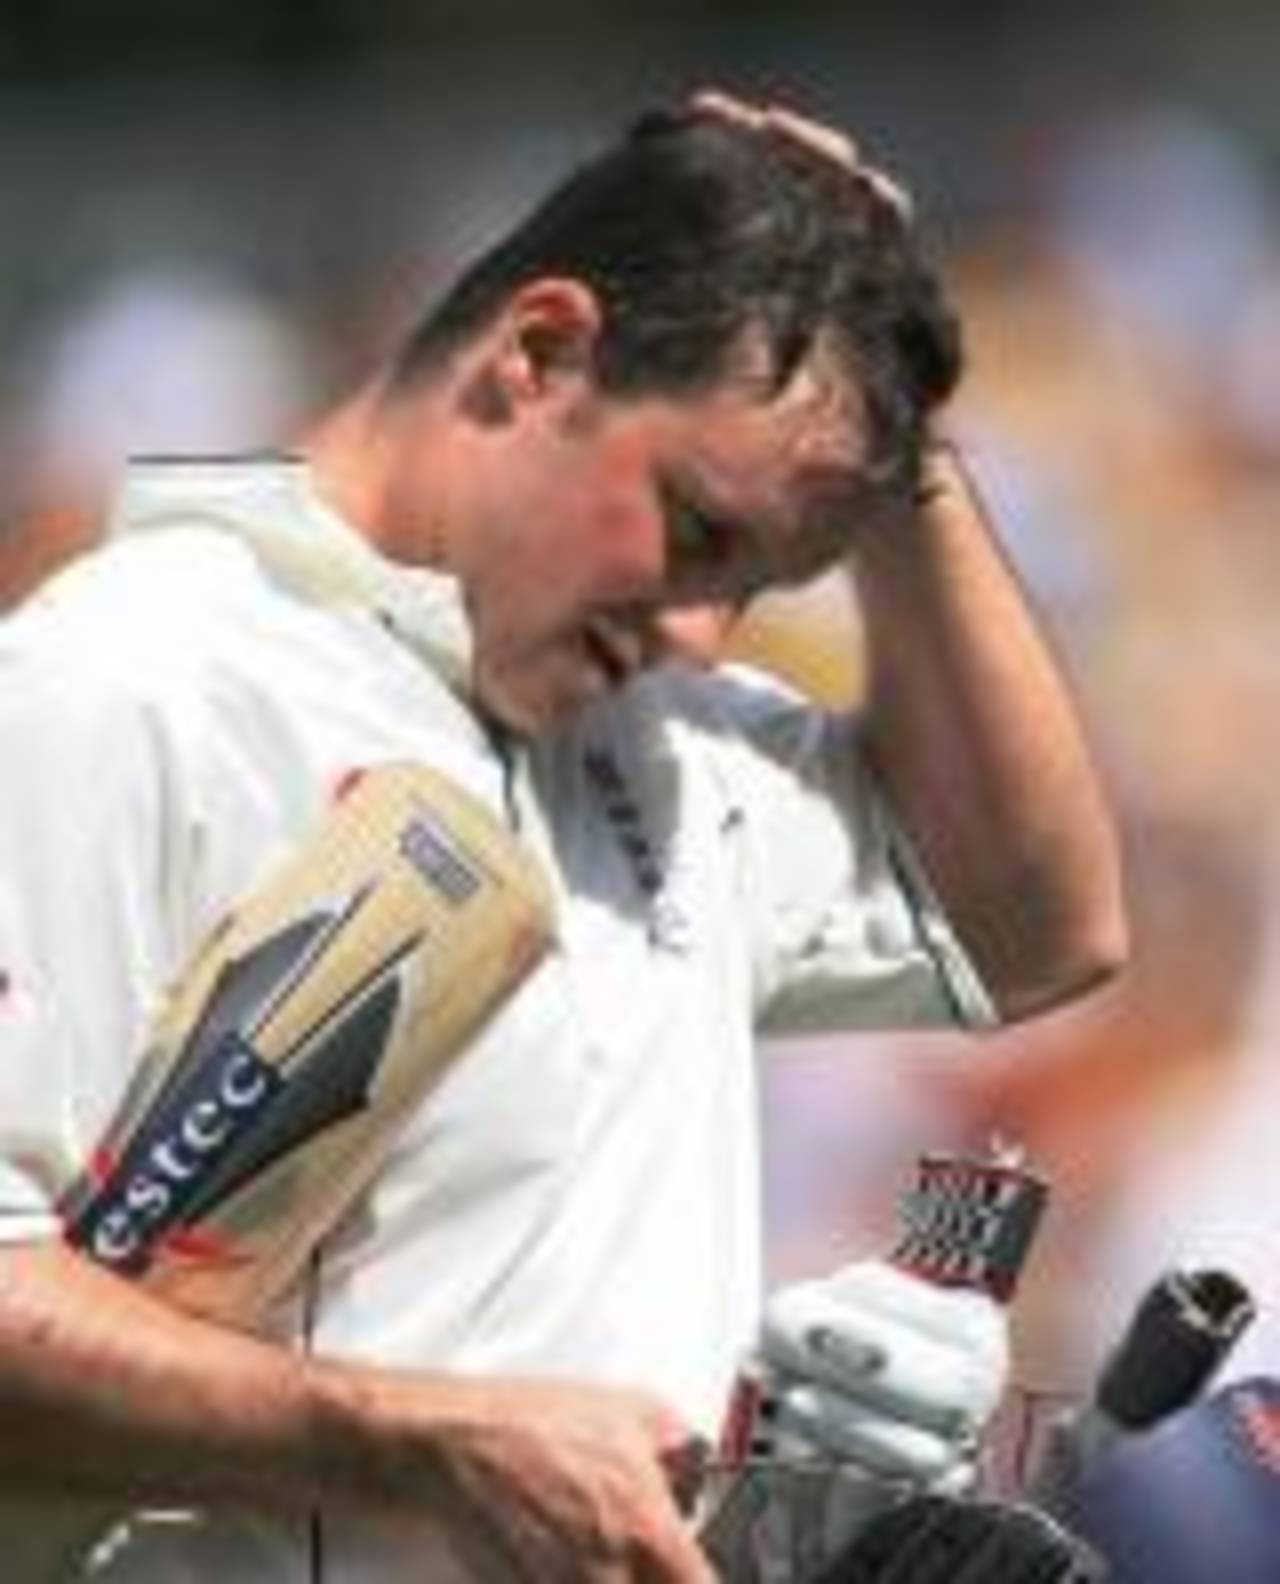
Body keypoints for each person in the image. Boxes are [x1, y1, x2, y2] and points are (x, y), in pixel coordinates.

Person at [0, 91, 1125, 1581]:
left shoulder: (667, 743)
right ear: (538, 354)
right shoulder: (125, 680)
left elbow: (1040, 925)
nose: (701, 630)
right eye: (695, 527)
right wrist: (428, 1440)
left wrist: (893, 398)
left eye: (767, 584)